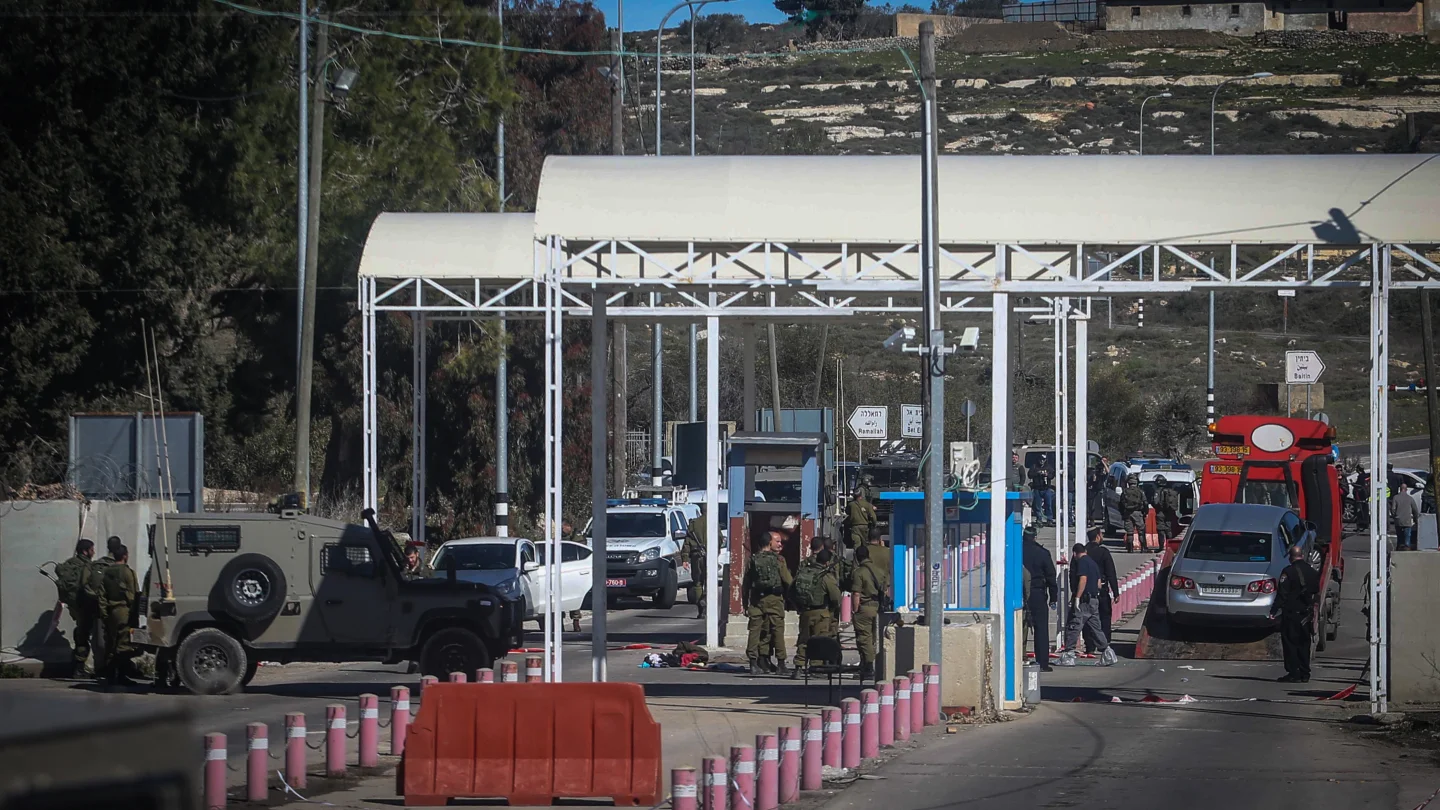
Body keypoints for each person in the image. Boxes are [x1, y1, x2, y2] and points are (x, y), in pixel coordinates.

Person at [1057, 543, 1117, 667]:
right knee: (1096, 628)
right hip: (1094, 599)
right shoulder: (1093, 563)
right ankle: (1107, 652)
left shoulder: (1082, 562)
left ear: (1074, 553)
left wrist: (1077, 597)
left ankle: (1068, 655)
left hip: (1085, 600)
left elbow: (1083, 579)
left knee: (1074, 625)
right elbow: (1099, 583)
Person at [744, 531, 793, 675]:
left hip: (756, 600)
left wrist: (744, 603)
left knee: (755, 632)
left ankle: (754, 663)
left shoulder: (753, 560)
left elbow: (746, 584)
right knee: (777, 631)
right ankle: (781, 664)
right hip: (774, 600)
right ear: (769, 542)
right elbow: (788, 581)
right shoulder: (779, 560)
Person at [1272, 544, 1319, 683]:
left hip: (1291, 614)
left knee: (1291, 643)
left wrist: (1274, 610)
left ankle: (1294, 672)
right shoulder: (1312, 572)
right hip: (1306, 614)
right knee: (1304, 643)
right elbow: (1316, 591)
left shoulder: (1288, 572)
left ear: (1290, 557)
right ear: (1302, 556)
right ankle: (1305, 672)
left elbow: (1282, 594)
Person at [791, 547, 842, 673]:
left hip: (805, 612)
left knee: (803, 639)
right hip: (821, 613)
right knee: (819, 640)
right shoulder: (826, 577)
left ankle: (798, 666)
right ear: (827, 562)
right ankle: (816, 666)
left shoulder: (804, 573)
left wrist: (798, 607)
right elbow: (836, 598)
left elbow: (791, 592)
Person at [54, 538, 98, 678]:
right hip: (85, 605)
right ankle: (79, 669)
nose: (93, 552)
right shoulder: (87, 566)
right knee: (83, 635)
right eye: (92, 549)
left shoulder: (69, 564)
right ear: (85, 551)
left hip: (73, 605)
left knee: (80, 632)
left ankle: (75, 665)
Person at [83, 536, 123, 678]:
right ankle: (114, 669)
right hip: (116, 609)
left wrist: (97, 599)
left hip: (98, 608)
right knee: (116, 639)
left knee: (99, 640)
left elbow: (86, 585)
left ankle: (100, 668)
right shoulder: (120, 567)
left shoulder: (97, 565)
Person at [101, 543, 140, 685]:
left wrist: (104, 612)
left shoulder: (106, 571)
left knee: (111, 644)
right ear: (125, 556)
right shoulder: (128, 572)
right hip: (124, 611)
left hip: (111, 611)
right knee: (124, 644)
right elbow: (133, 595)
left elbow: (102, 594)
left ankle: (110, 675)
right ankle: (122, 676)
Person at [1022, 526, 1059, 671]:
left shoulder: (1015, 550)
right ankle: (1042, 662)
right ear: (1035, 536)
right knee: (1041, 629)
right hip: (1037, 593)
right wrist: (1053, 598)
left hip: (1018, 593)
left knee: (1019, 626)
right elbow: (1051, 577)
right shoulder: (1042, 553)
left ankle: (1019, 657)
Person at [851, 543, 888, 681]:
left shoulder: (859, 572)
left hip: (864, 607)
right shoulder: (879, 570)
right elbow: (885, 589)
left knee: (863, 638)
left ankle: (868, 666)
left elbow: (856, 594)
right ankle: (871, 665)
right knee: (873, 638)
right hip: (877, 607)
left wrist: (855, 610)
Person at [1084, 527, 1119, 644]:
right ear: (1098, 536)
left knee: (1087, 618)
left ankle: (1089, 644)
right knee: (1104, 616)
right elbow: (1111, 573)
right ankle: (1105, 642)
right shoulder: (1103, 552)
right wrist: (1115, 592)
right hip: (1101, 590)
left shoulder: (1084, 552)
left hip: (1085, 590)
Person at [681, 517, 708, 619]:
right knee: (709, 582)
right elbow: (719, 538)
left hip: (696, 556)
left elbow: (687, 542)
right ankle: (705, 599)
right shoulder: (713, 521)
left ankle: (701, 609)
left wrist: (685, 558)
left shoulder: (693, 523)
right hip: (709, 557)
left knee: (697, 583)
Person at [1120, 474, 1149, 553]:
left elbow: (1121, 504)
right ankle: (1143, 548)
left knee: (1129, 533)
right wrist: (1145, 512)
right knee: (1141, 532)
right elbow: (1145, 503)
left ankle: (1130, 549)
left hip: (1127, 514)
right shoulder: (1140, 492)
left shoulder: (1125, 492)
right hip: (1138, 513)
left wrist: (1123, 513)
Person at [1153, 475, 1182, 545]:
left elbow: (1155, 502)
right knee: (1168, 529)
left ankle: (1161, 546)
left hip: (1160, 513)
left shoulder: (1157, 492)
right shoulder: (1170, 491)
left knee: (1160, 529)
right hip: (1169, 513)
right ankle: (1169, 545)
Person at [846, 487, 877, 551]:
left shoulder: (851, 504)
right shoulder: (867, 504)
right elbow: (873, 516)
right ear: (861, 495)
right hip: (865, 527)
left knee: (857, 544)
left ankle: (856, 559)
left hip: (855, 527)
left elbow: (847, 512)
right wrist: (874, 524)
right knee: (866, 545)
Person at [1393, 481, 1419, 551]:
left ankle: (1399, 546)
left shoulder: (1395, 497)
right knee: (1407, 535)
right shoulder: (1410, 499)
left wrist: (1394, 516)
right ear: (1406, 490)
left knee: (1399, 535)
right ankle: (1407, 546)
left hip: (1398, 520)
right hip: (1407, 520)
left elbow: (1393, 509)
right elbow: (1415, 510)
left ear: (1400, 489)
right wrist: (1416, 519)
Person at [865, 526, 892, 594]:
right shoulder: (887, 552)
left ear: (868, 538)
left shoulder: (864, 551)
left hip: (866, 587)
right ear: (880, 539)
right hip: (883, 587)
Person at [1029, 457, 1054, 526]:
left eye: (1043, 460)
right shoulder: (1034, 466)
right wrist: (1037, 473)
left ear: (1045, 460)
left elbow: (1052, 475)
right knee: (1037, 505)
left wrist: (1047, 475)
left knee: (1048, 505)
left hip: (1046, 488)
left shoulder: (1048, 467)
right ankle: (1039, 519)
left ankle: (1049, 519)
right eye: (1040, 459)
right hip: (1037, 488)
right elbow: (1029, 475)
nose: (1042, 461)